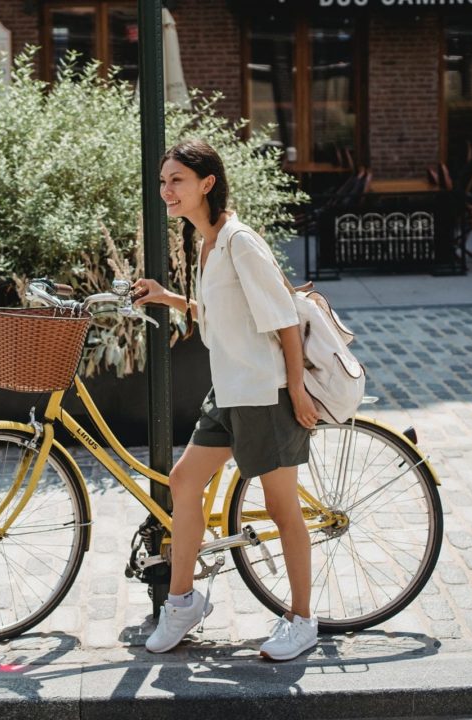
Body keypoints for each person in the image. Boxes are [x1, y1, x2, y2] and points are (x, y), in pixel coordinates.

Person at [132, 139, 321, 661]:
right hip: (230, 388)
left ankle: (302, 619)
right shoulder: (206, 242)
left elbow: (283, 317)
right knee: (184, 481)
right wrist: (167, 297)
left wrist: (297, 390)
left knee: (283, 510)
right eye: (164, 180)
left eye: (176, 181)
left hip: (264, 392)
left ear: (206, 184)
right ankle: (184, 601)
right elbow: (222, 314)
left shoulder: (239, 242)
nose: (166, 190)